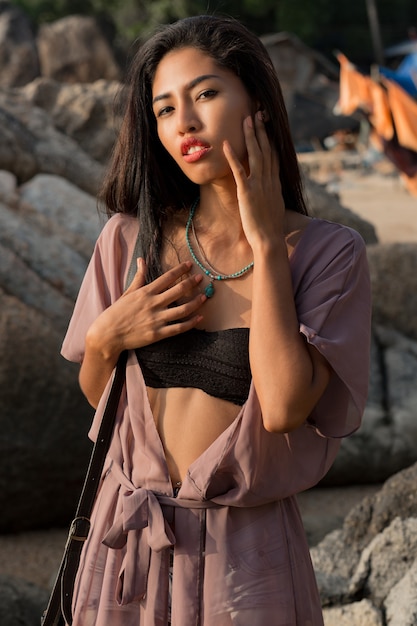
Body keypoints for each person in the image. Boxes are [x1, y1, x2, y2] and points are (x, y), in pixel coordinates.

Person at [61, 14, 372, 626]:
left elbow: (283, 408)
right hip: (123, 543)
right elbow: (106, 401)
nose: (186, 123)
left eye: (205, 93)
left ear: (256, 99)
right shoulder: (128, 241)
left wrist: (264, 244)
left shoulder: (328, 253)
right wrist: (104, 340)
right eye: (165, 108)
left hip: (245, 556)